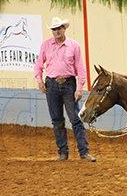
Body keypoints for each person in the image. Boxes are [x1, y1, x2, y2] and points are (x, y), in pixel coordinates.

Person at [34, 17, 96, 162]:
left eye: (59, 28)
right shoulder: (46, 45)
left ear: (64, 29)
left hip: (69, 84)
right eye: (54, 29)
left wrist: (79, 88)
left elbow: (80, 67)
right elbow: (38, 64)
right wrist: (39, 80)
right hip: (51, 84)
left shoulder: (74, 45)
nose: (56, 31)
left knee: (75, 119)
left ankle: (84, 152)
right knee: (57, 120)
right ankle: (63, 152)